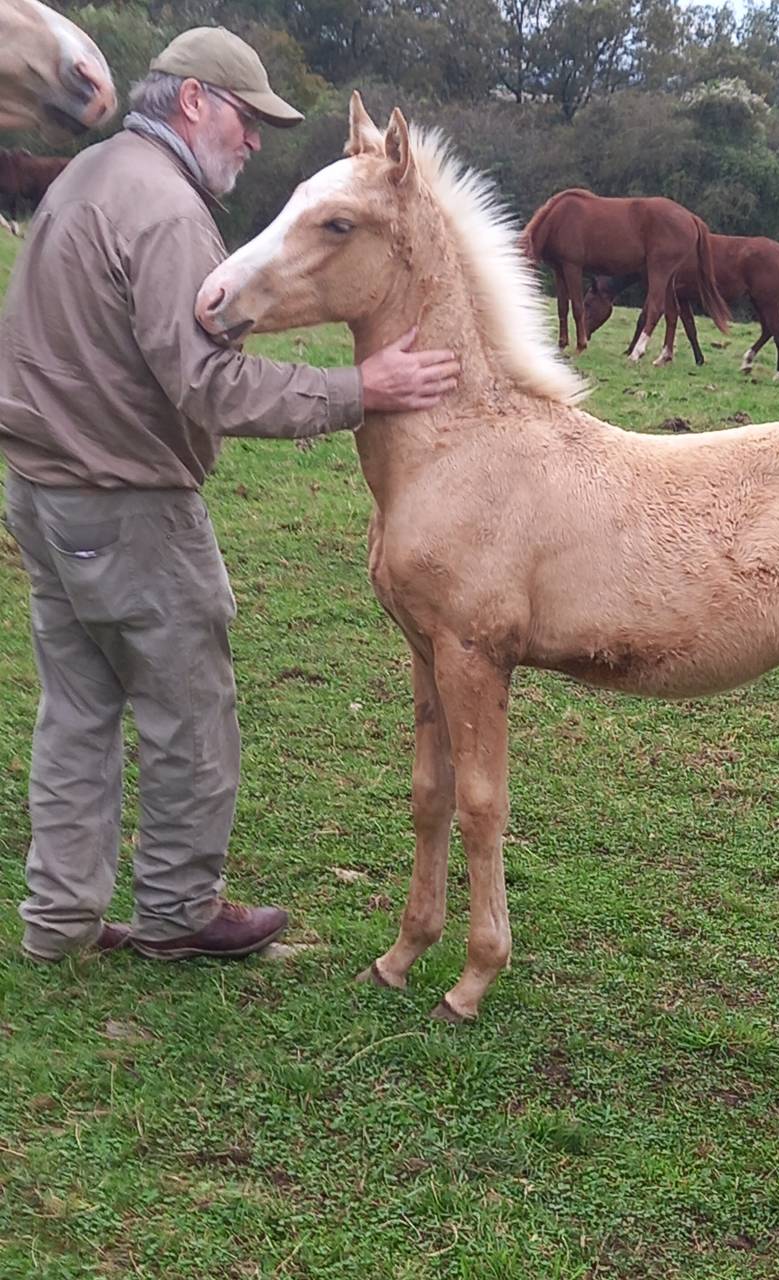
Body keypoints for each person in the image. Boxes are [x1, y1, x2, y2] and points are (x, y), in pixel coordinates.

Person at [0, 27, 459, 964]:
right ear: (196, 103)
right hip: (125, 499)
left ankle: (58, 922)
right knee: (188, 711)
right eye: (246, 120)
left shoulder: (86, 177)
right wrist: (359, 392)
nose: (253, 143)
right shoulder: (166, 212)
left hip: (42, 492)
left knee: (78, 710)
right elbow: (208, 384)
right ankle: (176, 914)